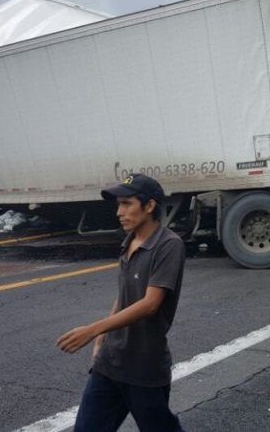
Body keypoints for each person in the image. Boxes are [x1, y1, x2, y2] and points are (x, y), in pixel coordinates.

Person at [57, 173, 186, 432]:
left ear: (149, 206)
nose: (119, 212)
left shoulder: (168, 245)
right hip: (109, 363)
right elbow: (125, 294)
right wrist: (101, 339)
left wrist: (93, 329)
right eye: (118, 205)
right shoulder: (129, 242)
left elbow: (150, 303)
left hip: (143, 367)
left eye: (127, 204)